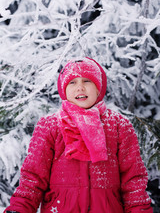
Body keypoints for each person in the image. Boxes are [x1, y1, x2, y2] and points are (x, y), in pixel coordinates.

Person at [4, 57, 153, 213]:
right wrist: (19, 208)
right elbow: (33, 177)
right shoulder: (50, 125)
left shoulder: (118, 125)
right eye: (72, 82)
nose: (80, 87)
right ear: (63, 90)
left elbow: (133, 179)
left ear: (98, 88)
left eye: (87, 81)